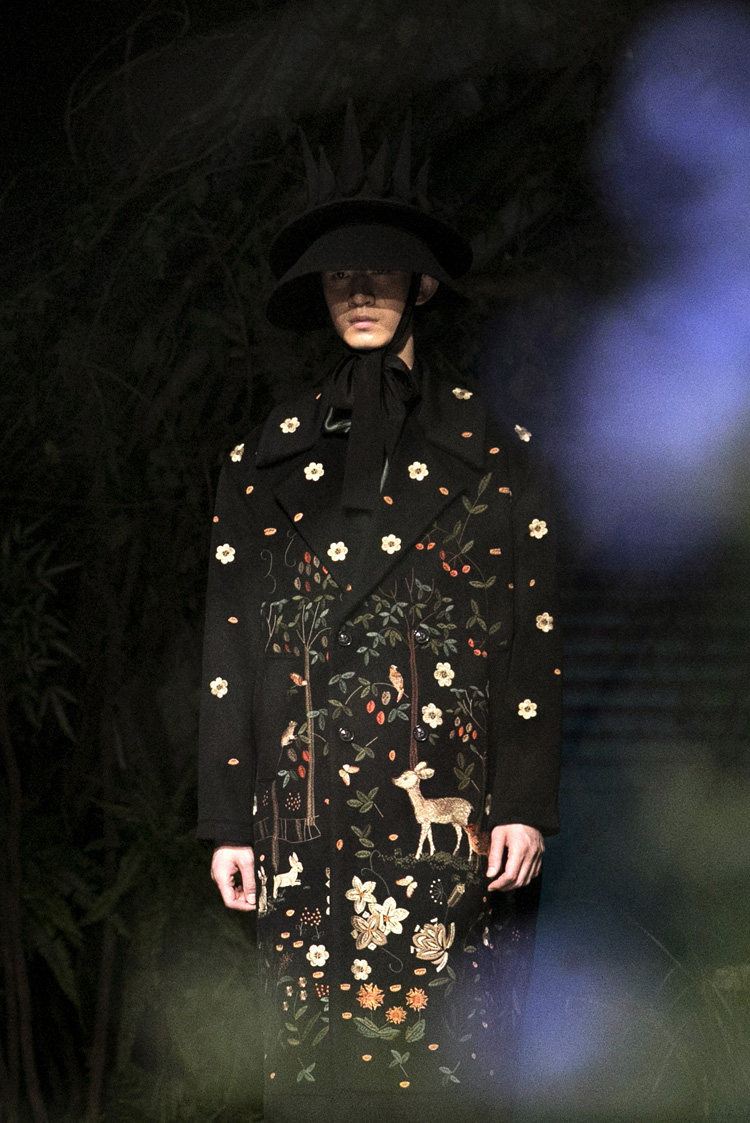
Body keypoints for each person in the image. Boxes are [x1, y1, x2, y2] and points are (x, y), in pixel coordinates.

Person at [197, 107, 561, 1123]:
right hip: (303, 823)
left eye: (382, 271)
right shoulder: (259, 462)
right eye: (340, 275)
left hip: (455, 820)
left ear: (422, 285)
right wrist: (226, 821)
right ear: (318, 293)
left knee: (454, 1076)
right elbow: (229, 648)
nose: (360, 291)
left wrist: (525, 800)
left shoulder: (498, 454)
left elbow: (531, 636)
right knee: (315, 1080)